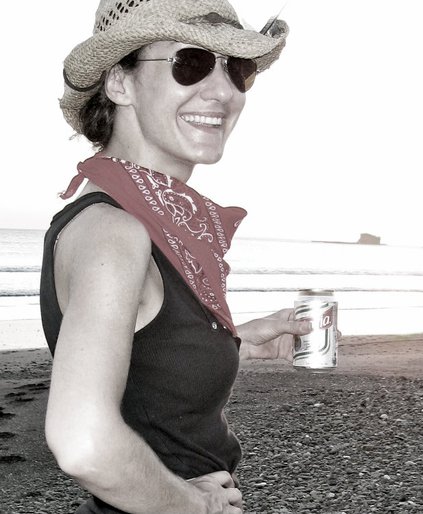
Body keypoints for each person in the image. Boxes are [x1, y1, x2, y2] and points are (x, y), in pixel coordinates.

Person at [39, 1, 309, 512]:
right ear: (120, 82)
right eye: (192, 63)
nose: (224, 91)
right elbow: (82, 443)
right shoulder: (113, 230)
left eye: (236, 68)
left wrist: (231, 345)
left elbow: (141, 376)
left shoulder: (148, 221)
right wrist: (193, 504)